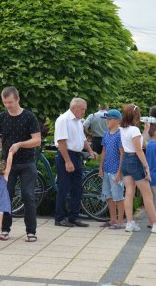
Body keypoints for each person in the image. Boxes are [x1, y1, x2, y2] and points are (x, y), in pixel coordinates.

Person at [0, 86, 41, 242]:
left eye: (10, 102)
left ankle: (31, 231)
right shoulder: (2, 117)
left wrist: (20, 144)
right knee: (5, 195)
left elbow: (37, 140)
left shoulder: (29, 117)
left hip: (27, 162)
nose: (8, 105)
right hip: (6, 164)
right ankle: (4, 229)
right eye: (5, 102)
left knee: (27, 195)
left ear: (17, 99)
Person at [54, 98, 97, 228]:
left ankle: (74, 217)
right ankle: (60, 218)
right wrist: (67, 161)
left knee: (78, 188)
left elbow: (82, 139)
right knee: (64, 187)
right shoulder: (63, 120)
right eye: (83, 109)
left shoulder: (78, 121)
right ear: (74, 108)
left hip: (76, 156)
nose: (84, 112)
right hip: (66, 155)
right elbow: (61, 141)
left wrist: (90, 150)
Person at [120, 104, 156, 233]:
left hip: (126, 160)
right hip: (135, 161)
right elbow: (139, 149)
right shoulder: (134, 130)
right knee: (147, 195)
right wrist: (146, 166)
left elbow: (139, 142)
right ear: (135, 115)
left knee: (129, 193)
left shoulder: (123, 129)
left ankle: (130, 223)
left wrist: (145, 129)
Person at [98, 110, 125, 229]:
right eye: (106, 119)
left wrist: (120, 171)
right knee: (108, 195)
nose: (107, 121)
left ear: (117, 120)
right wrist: (100, 167)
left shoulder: (120, 134)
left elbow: (122, 154)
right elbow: (103, 151)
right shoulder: (106, 134)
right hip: (107, 169)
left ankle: (120, 222)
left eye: (109, 119)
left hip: (115, 170)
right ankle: (112, 219)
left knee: (118, 196)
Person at [146, 123, 156, 223]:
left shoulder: (148, 144)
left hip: (149, 177)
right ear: (155, 133)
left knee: (151, 200)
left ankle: (151, 222)